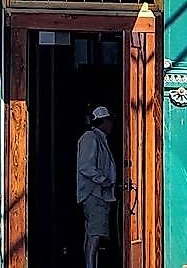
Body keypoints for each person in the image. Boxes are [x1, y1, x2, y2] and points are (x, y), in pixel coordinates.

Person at [75, 105, 118, 268]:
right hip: (94, 194)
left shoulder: (100, 138)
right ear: (103, 121)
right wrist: (103, 179)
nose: (111, 125)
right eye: (109, 121)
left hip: (101, 194)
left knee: (94, 234)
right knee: (94, 234)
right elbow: (86, 165)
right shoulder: (90, 137)